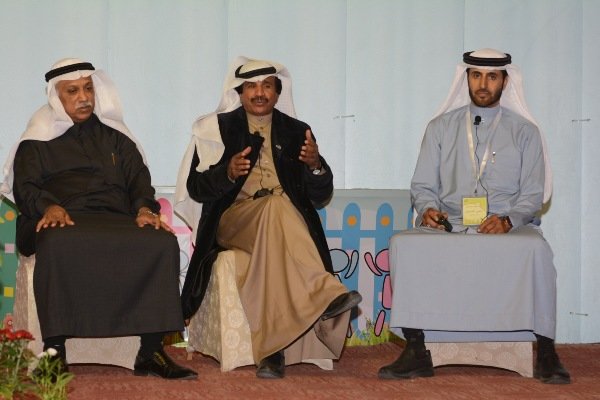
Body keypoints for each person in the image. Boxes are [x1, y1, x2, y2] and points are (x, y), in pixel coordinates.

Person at [378, 48, 570, 384]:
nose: (483, 84)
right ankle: (416, 348)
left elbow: (532, 195)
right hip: (450, 223)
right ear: (465, 78)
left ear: (505, 82)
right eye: (476, 75)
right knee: (403, 244)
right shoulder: (440, 128)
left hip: (506, 225)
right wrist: (428, 210)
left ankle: (546, 350)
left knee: (537, 249)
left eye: (492, 76)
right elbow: (422, 185)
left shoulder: (525, 131)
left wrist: (508, 220)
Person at [1, 58, 197, 380]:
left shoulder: (116, 137)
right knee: (57, 240)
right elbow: (26, 187)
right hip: (61, 217)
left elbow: (139, 180)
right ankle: (54, 353)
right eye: (73, 91)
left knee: (160, 241)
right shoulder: (36, 139)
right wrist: (48, 206)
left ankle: (150, 352)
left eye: (88, 89)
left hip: (115, 216)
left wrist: (144, 209)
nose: (84, 97)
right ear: (56, 97)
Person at [175, 57, 361, 379]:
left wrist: (316, 165)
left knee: (276, 225)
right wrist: (227, 173)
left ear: (277, 92)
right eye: (251, 86)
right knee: (275, 207)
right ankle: (325, 293)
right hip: (234, 219)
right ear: (240, 91)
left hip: (282, 221)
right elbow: (196, 187)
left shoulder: (297, 131)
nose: (259, 93)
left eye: (267, 86)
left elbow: (319, 195)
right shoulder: (216, 128)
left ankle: (272, 352)